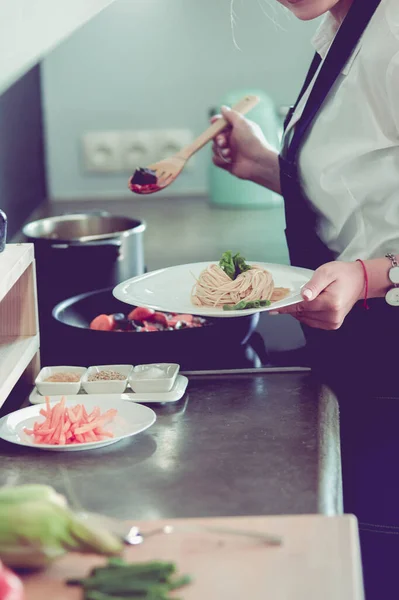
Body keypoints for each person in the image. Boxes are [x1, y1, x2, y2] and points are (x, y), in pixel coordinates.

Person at [212, 0, 399, 598]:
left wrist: (369, 278)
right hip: (363, 349)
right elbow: (363, 183)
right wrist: (266, 164)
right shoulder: (346, 21)